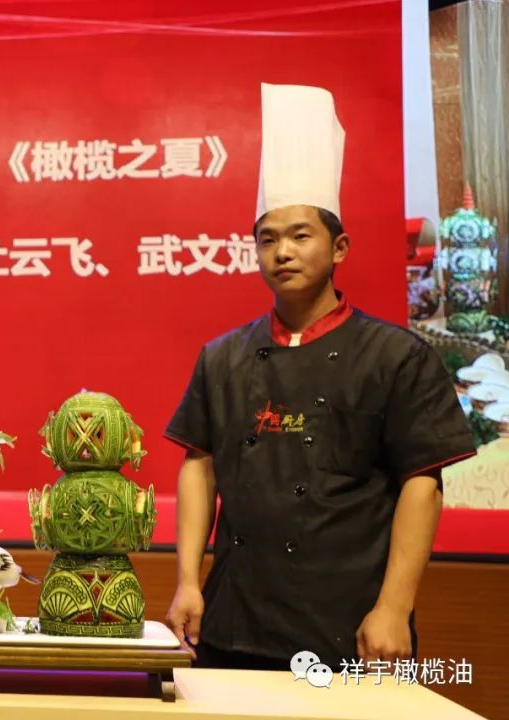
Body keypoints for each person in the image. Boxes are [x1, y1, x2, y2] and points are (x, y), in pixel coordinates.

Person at [163, 83, 476, 672]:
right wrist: (187, 581)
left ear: (339, 248)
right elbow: (198, 465)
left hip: (350, 626)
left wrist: (394, 608)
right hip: (232, 620)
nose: (282, 251)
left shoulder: (395, 356)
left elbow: (422, 485)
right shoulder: (222, 358)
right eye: (267, 239)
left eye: (300, 235)